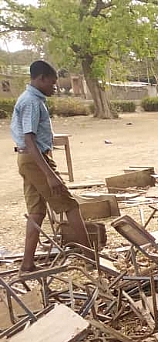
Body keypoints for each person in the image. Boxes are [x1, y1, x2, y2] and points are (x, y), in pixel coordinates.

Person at [11, 60, 90, 273]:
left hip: (28, 159)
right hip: (35, 160)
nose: (54, 87)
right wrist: (49, 174)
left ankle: (27, 264)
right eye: (52, 83)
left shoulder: (32, 99)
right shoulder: (31, 102)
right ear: (41, 79)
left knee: (36, 213)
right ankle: (91, 258)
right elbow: (29, 139)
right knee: (70, 205)